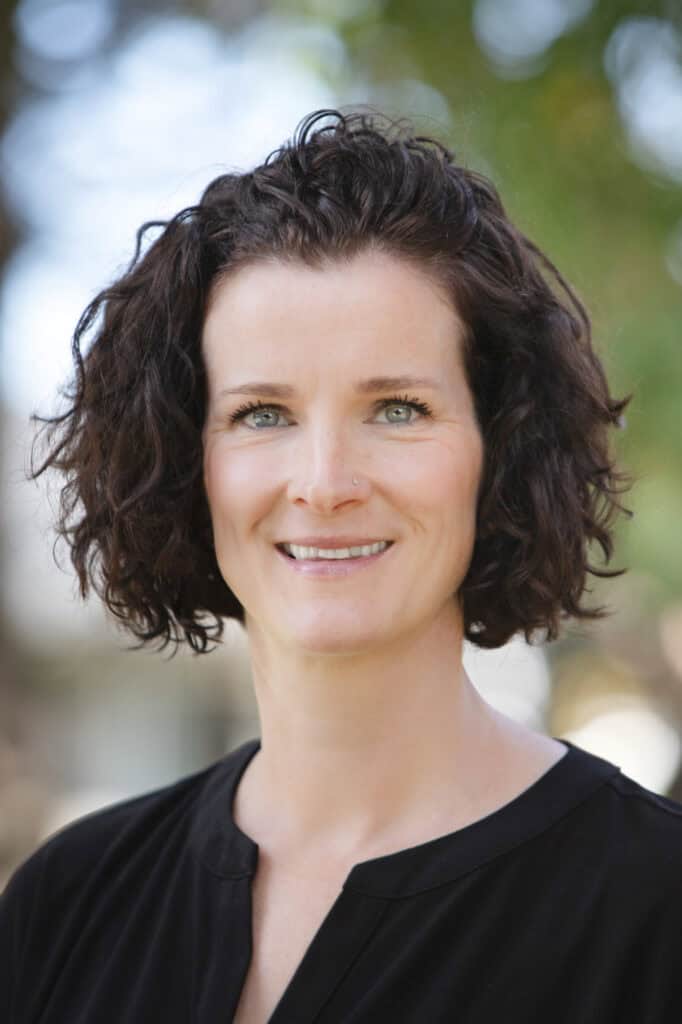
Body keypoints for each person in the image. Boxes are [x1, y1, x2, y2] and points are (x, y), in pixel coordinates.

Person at [1, 106, 680, 1023]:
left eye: (397, 409)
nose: (324, 484)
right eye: (262, 414)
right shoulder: (65, 904)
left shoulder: (656, 907)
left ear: (502, 449)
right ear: (184, 460)